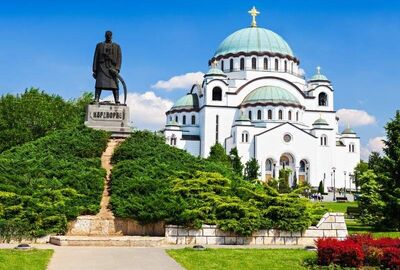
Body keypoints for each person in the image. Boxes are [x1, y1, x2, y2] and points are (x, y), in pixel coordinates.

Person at [92, 31, 122, 104]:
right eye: (107, 35)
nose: (108, 37)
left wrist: (117, 69)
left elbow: (119, 58)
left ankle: (117, 99)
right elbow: (95, 57)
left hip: (112, 68)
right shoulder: (99, 45)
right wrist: (94, 69)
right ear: (105, 36)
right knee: (99, 84)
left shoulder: (117, 46)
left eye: (110, 35)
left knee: (115, 84)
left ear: (112, 36)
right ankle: (96, 98)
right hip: (101, 67)